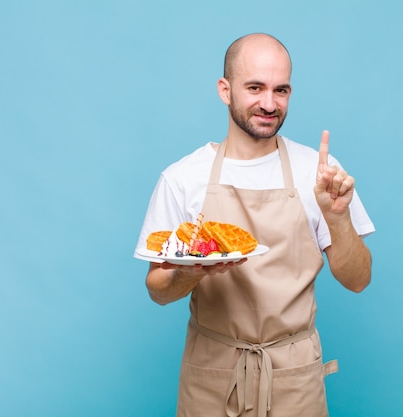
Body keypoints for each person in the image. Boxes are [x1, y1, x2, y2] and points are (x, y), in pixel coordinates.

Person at [134, 33, 375, 417]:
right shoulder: (182, 177)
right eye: (255, 87)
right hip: (211, 375)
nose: (269, 103)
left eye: (281, 90)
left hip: (293, 375)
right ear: (225, 90)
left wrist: (338, 218)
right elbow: (157, 290)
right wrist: (192, 271)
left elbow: (358, 280)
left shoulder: (319, 173)